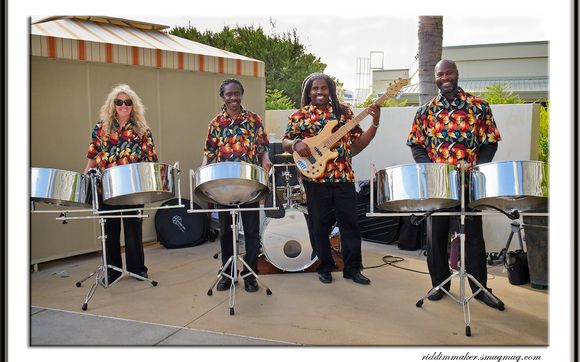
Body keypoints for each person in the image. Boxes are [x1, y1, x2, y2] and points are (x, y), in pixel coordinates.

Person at [406, 59, 505, 310]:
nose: (444, 77)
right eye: (440, 74)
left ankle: (480, 289)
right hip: (439, 184)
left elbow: (490, 142)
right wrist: (432, 168)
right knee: (435, 236)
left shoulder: (479, 106)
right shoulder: (425, 111)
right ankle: (439, 284)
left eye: (449, 72)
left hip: (468, 182)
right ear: (435, 78)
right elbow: (416, 145)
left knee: (472, 236)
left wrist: (477, 168)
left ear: (457, 74)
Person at [282, 73, 380, 285]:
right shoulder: (299, 116)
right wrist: (296, 143)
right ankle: (324, 265)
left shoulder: (344, 112)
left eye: (323, 88)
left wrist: (375, 124)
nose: (319, 92)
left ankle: (353, 269)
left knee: (350, 225)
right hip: (315, 179)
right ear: (308, 92)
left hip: (343, 177)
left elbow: (358, 143)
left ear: (330, 90)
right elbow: (285, 141)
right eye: (315, 89)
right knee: (320, 225)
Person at [202, 78, 272, 293]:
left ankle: (250, 275)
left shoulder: (254, 120)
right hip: (224, 186)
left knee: (251, 232)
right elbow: (209, 153)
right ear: (222, 97)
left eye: (236, 93)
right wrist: (203, 171)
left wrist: (266, 160)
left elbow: (263, 147)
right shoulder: (215, 123)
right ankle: (228, 274)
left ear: (241, 94)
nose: (233, 98)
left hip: (248, 183)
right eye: (228, 94)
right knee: (226, 232)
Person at [84, 84, 158, 283]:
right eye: (119, 102)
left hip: (132, 188)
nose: (123, 105)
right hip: (106, 187)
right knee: (110, 230)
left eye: (127, 102)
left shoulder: (142, 130)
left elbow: (150, 160)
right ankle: (112, 270)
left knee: (133, 229)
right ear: (113, 105)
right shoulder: (100, 128)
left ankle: (137, 269)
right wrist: (85, 180)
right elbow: (93, 156)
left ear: (133, 106)